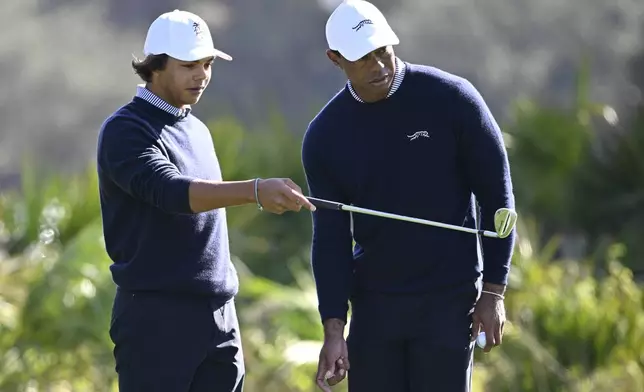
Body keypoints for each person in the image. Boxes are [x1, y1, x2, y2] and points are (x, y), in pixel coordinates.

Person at [301, 1, 517, 391]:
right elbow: (330, 237)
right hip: (375, 305)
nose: (379, 66)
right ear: (335, 59)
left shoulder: (453, 99)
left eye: (383, 51)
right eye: (362, 58)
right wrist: (334, 328)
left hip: (450, 301)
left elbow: (498, 200)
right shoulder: (325, 136)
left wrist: (494, 291)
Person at [96, 9, 315, 392]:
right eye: (189, 65)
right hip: (156, 317)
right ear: (155, 67)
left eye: (208, 64)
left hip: (219, 315)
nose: (202, 75)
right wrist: (255, 190)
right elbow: (172, 192)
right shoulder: (125, 130)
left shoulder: (195, 127)